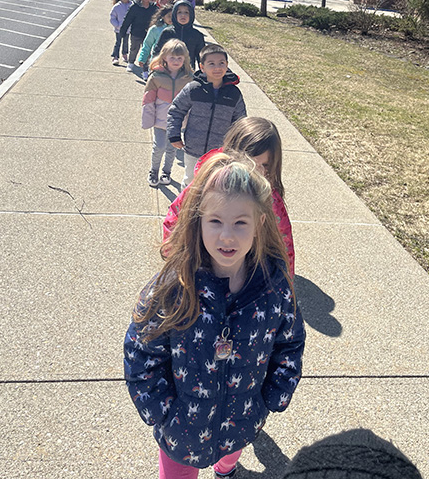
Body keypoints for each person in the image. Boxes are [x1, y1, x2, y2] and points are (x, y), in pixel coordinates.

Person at [124, 151, 305, 479]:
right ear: (198, 221)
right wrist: (165, 414)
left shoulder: (273, 288)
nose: (227, 235)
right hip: (183, 431)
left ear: (259, 223)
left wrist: (269, 399)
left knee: (229, 458)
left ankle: (226, 470)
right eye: (216, 221)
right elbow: (141, 352)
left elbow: (289, 343)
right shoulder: (174, 287)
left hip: (241, 418)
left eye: (240, 223)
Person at [163, 117, 295, 275]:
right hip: (201, 271)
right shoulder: (207, 186)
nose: (255, 173)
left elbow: (284, 246)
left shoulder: (270, 200)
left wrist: (285, 281)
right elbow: (175, 222)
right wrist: (177, 264)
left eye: (264, 166)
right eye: (249, 164)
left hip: (248, 281)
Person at [166, 43, 247, 188]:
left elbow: (241, 122)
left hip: (220, 152)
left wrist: (237, 147)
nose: (217, 67)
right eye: (211, 63)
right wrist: (174, 134)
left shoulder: (234, 93)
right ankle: (183, 209)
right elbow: (176, 110)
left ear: (227, 65)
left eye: (221, 63)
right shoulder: (193, 88)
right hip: (194, 148)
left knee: (215, 185)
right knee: (191, 182)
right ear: (202, 67)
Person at [142, 39, 194, 187]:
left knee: (172, 147)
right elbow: (148, 99)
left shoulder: (188, 78)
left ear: (185, 58)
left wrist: (189, 119)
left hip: (178, 121)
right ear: (164, 57)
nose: (176, 61)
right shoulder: (156, 76)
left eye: (179, 58)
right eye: (172, 57)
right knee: (159, 147)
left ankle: (167, 171)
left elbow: (191, 102)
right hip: (159, 118)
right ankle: (154, 171)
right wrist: (148, 118)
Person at [152, 0, 205, 69]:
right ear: (174, 15)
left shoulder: (197, 35)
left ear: (191, 15)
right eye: (179, 12)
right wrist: (156, 66)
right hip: (168, 71)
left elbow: (202, 57)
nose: (183, 15)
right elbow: (158, 51)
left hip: (187, 72)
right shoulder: (167, 32)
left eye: (186, 12)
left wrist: (203, 72)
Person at [119, 0, 158, 73]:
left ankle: (146, 68)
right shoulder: (135, 6)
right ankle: (131, 63)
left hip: (149, 34)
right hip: (136, 32)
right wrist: (123, 31)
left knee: (147, 51)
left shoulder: (154, 7)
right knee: (134, 49)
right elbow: (127, 19)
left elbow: (159, 18)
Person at [137, 6, 174, 81]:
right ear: (163, 17)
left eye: (173, 16)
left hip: (172, 61)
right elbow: (147, 44)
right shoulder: (155, 29)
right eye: (169, 16)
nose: (171, 19)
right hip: (157, 60)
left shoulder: (177, 29)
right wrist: (142, 58)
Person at [110, 0, 134, 65]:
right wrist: (117, 25)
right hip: (119, 29)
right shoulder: (117, 7)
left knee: (126, 42)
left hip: (127, 29)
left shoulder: (132, 5)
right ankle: (115, 56)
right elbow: (112, 17)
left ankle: (124, 54)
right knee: (118, 42)